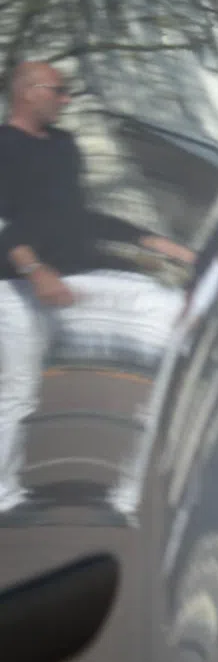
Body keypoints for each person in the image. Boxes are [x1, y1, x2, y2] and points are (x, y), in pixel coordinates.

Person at [0, 61, 193, 513]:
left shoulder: (64, 146)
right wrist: (34, 270)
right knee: (18, 392)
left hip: (77, 281)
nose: (66, 98)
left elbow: (81, 216)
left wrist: (162, 244)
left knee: (169, 315)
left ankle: (132, 489)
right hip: (16, 288)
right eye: (58, 90)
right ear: (28, 92)